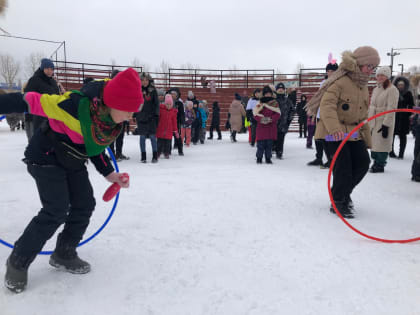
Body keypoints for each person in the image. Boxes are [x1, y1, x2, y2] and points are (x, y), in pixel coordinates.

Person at [0, 68, 143, 293]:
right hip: (46, 155)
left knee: (85, 204)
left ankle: (64, 252)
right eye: (128, 110)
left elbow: (94, 147)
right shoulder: (74, 105)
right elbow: (30, 101)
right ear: (113, 102)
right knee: (56, 210)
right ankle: (18, 261)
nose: (131, 117)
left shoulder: (109, 121)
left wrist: (110, 174)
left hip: (73, 160)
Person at [306, 46, 379, 219]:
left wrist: (366, 138)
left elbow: (362, 115)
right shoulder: (339, 81)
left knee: (362, 163)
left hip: (353, 132)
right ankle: (338, 200)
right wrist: (336, 129)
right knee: (343, 166)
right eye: (369, 66)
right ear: (359, 63)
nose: (371, 71)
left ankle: (342, 193)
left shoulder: (362, 86)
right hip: (333, 132)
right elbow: (327, 106)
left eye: (373, 68)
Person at [307, 60, 338, 167]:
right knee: (319, 138)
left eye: (333, 71)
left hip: (331, 115)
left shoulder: (338, 83)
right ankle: (319, 157)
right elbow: (319, 98)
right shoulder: (323, 83)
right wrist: (314, 109)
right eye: (328, 71)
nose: (330, 73)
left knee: (329, 139)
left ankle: (331, 159)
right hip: (321, 114)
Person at [368, 66, 399, 173]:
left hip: (383, 120)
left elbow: (392, 108)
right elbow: (372, 105)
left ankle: (380, 164)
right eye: (378, 75)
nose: (380, 77)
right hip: (374, 119)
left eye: (382, 75)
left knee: (382, 143)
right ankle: (375, 161)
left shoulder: (392, 89)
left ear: (387, 76)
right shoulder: (377, 89)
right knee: (374, 143)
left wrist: (386, 124)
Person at [24, 58, 60, 141]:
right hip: (38, 116)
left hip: (52, 115)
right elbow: (27, 96)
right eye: (47, 69)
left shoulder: (53, 82)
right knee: (39, 140)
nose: (49, 71)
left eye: (51, 69)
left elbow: (57, 96)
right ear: (42, 68)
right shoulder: (35, 80)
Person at [253, 86, 281, 164]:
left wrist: (271, 119)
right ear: (264, 94)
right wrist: (262, 119)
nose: (268, 95)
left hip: (270, 127)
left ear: (271, 94)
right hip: (261, 127)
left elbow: (278, 114)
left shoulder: (275, 103)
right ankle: (259, 158)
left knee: (269, 145)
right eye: (266, 94)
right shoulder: (260, 103)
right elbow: (255, 114)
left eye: (269, 93)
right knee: (260, 145)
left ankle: (268, 158)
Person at [136, 73, 159, 163]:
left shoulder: (153, 90)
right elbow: (135, 103)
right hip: (141, 117)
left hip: (151, 117)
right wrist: (135, 114)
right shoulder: (137, 90)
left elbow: (156, 103)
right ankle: (143, 156)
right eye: (142, 80)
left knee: (153, 137)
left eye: (146, 80)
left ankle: (155, 156)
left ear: (149, 81)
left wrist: (156, 115)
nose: (144, 82)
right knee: (142, 137)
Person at [389, 76, 414, 159]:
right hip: (394, 117)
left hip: (404, 119)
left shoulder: (408, 94)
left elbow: (412, 105)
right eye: (399, 85)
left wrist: (408, 111)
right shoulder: (393, 93)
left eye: (402, 85)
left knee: (403, 136)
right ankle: (391, 152)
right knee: (391, 135)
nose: (400, 86)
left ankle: (401, 153)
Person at [108, 70, 130, 161]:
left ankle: (119, 153)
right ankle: (112, 154)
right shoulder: (109, 87)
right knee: (111, 136)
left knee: (120, 136)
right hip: (112, 116)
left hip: (121, 115)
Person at [274, 83, 294, 159]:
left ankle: (279, 152)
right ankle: (272, 149)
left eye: (282, 88)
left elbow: (292, 110)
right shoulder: (273, 100)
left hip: (283, 123)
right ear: (276, 90)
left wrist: (289, 119)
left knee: (281, 139)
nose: (281, 89)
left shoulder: (287, 100)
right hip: (274, 123)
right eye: (279, 88)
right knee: (274, 138)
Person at [156, 94, 179, 159]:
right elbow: (157, 119)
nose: (168, 106)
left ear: (172, 105)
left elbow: (174, 122)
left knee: (167, 144)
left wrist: (175, 131)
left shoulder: (173, 112)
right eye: (167, 104)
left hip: (169, 131)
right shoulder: (161, 110)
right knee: (159, 143)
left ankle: (166, 153)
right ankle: (158, 153)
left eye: (170, 104)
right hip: (160, 130)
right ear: (165, 104)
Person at [168, 87, 185, 156]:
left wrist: (182, 120)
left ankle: (180, 150)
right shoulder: (167, 102)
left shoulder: (179, 104)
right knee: (168, 137)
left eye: (174, 94)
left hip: (176, 123)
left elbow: (182, 113)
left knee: (177, 136)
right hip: (168, 122)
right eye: (171, 94)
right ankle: (168, 150)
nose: (172, 95)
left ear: (177, 95)